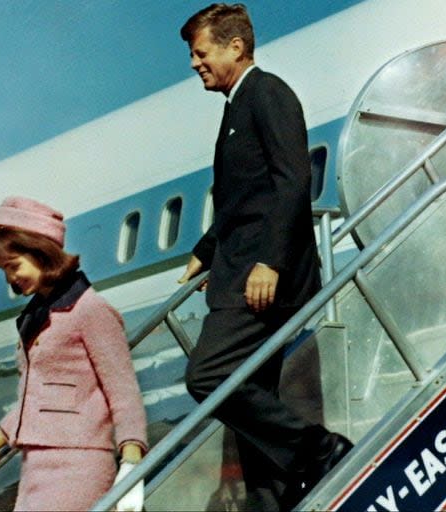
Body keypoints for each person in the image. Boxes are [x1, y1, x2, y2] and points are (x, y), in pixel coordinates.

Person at [176, 4, 353, 511]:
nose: (194, 63)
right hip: (238, 269)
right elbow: (242, 199)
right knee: (253, 394)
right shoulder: (236, 106)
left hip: (261, 277)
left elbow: (292, 180)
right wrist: (206, 252)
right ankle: (271, 499)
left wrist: (269, 262)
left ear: (235, 47)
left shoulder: (267, 93)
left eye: (200, 52)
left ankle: (319, 450)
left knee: (208, 376)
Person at [0, 196, 148, 512]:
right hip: (36, 464)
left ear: (40, 252)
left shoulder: (90, 310)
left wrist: (132, 465)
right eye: (3, 270)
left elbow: (124, 393)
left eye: (13, 265)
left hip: (78, 463)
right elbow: (35, 398)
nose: (9, 279)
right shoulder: (35, 317)